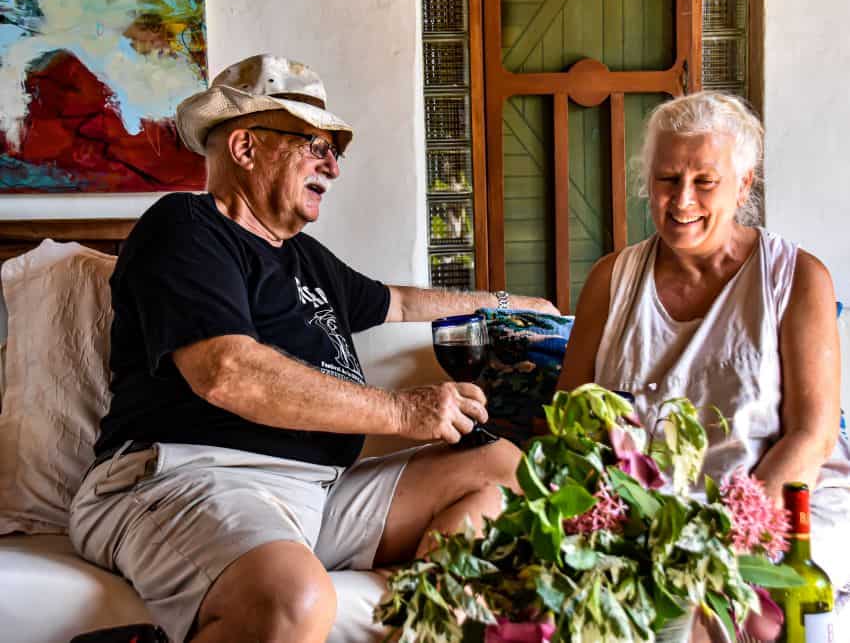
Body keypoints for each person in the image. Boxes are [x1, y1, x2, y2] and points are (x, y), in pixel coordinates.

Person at [68, 54, 557, 643]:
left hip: (315, 490)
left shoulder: (305, 257)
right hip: (184, 476)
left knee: (505, 467)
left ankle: (431, 622)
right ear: (245, 147)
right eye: (314, 145)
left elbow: (398, 303)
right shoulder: (185, 227)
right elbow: (227, 373)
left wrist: (511, 305)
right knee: (294, 600)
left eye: (335, 151)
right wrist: (404, 412)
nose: (332, 166)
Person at [557, 92, 850, 590]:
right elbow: (569, 423)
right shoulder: (612, 280)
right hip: (651, 517)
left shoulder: (796, 277)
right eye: (667, 179)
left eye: (705, 182)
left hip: (780, 505)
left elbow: (813, 436)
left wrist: (726, 536)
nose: (683, 199)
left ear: (743, 186)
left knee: (734, 596)